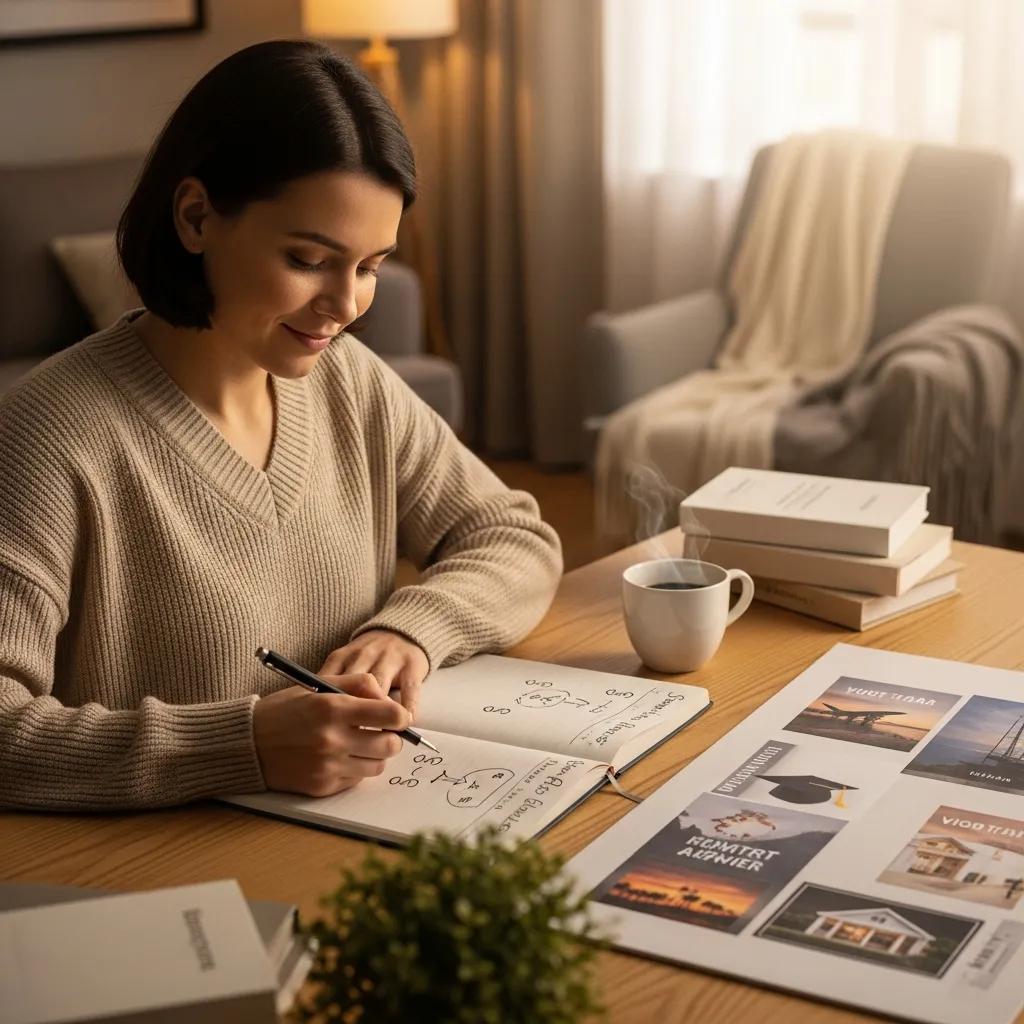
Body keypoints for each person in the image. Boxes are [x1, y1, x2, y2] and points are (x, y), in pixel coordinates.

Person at [0, 41, 561, 811]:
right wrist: (241, 746)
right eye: (309, 259)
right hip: (161, 878)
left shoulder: (349, 382)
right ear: (197, 217)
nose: (347, 305)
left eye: (369, 265)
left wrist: (412, 630)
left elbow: (514, 535)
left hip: (353, 844)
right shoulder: (47, 437)